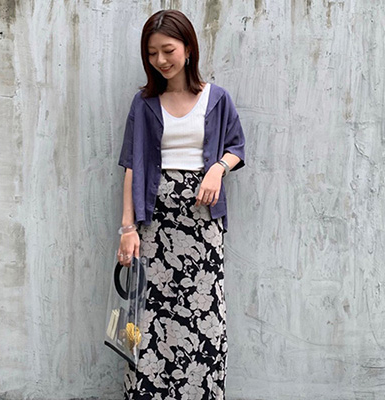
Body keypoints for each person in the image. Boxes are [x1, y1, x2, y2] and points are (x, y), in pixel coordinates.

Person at [116, 9, 245, 400]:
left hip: (203, 225)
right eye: (152, 53)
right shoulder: (144, 103)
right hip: (153, 225)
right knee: (149, 318)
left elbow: (237, 147)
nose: (160, 60)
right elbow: (132, 167)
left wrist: (218, 169)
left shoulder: (216, 98)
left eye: (167, 50)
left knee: (206, 318)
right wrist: (127, 228)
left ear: (188, 48)